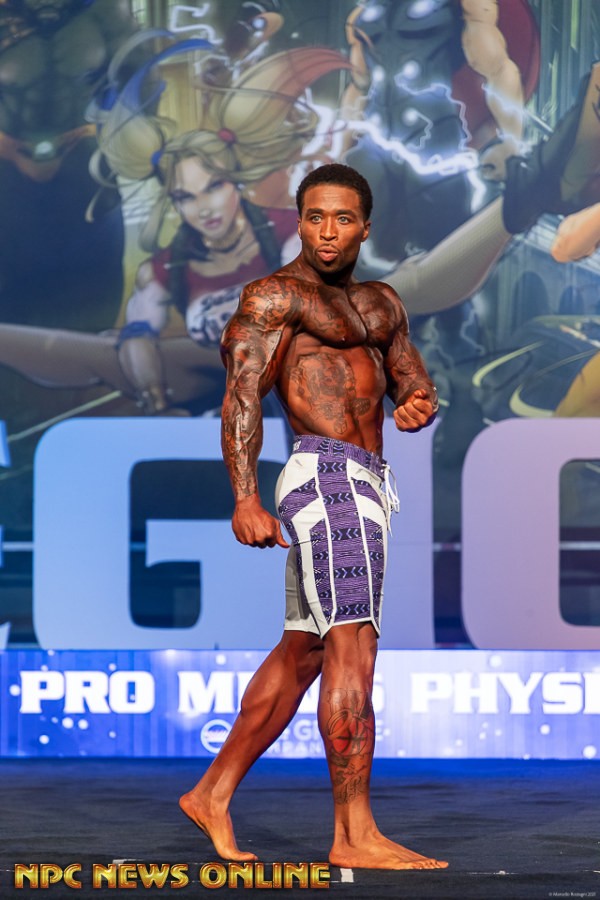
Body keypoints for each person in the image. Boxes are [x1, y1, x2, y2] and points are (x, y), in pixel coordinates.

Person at [178, 163, 446, 871]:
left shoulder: (381, 303)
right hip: (328, 478)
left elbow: (409, 379)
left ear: (364, 228)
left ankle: (211, 793)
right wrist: (244, 496)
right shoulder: (275, 297)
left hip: (368, 482)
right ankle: (353, 832)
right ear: (299, 222)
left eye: (343, 219)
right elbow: (242, 395)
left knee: (309, 650)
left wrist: (418, 403)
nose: (328, 232)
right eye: (316, 217)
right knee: (355, 645)